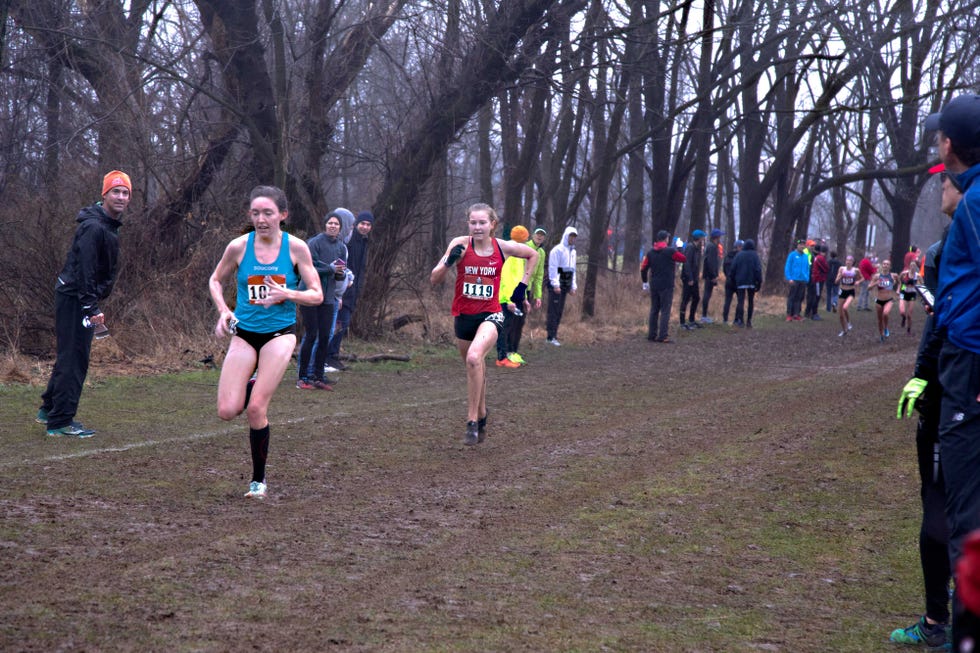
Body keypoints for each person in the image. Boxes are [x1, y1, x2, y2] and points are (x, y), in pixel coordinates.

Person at [208, 185, 323, 499]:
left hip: (279, 335)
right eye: (256, 213)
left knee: (256, 408)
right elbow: (215, 280)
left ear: (282, 216)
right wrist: (223, 311)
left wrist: (289, 294)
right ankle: (254, 378)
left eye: (268, 213)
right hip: (244, 334)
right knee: (227, 410)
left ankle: (257, 481)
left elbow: (317, 294)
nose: (261, 218)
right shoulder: (238, 247)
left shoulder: (297, 248)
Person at [890, 162, 961, 648]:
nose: (941, 185)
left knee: (940, 510)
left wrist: (921, 379)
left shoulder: (942, 255)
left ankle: (940, 622)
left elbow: (939, 329)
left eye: (948, 178)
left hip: (950, 397)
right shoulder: (941, 252)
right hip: (953, 393)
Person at [924, 93, 980, 650]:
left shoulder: (977, 200)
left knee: (966, 506)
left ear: (949, 143)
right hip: (962, 355)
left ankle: (962, 635)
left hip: (971, 361)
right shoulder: (968, 199)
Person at [431, 203, 538, 445]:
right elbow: (434, 278)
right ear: (468, 224)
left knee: (473, 357)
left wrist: (523, 286)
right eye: (473, 222)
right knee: (474, 365)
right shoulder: (459, 244)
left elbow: (534, 254)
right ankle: (482, 413)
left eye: (482, 223)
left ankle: (471, 422)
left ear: (492, 224)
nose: (477, 227)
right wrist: (449, 263)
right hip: (464, 316)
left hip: (491, 314)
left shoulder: (502, 247)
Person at [37, 171, 132, 438]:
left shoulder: (107, 225)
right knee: (75, 357)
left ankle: (49, 409)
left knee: (69, 353)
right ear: (104, 195)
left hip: (77, 296)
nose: (121, 197)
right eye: (116, 191)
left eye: (125, 192)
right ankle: (60, 421)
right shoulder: (94, 227)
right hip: (77, 298)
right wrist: (91, 307)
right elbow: (85, 272)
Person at [296, 211, 348, 389]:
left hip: (328, 297)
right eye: (330, 223)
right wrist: (331, 269)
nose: (333, 226)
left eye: (336, 224)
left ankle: (319, 376)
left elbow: (339, 273)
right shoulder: (314, 243)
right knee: (311, 334)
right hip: (310, 294)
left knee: (325, 336)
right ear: (325, 225)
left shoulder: (341, 247)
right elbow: (308, 268)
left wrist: (342, 275)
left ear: (340, 228)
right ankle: (303, 377)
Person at [325, 210, 372, 372]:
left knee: (342, 325)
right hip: (342, 292)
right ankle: (327, 358)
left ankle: (333, 357)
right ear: (355, 225)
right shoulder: (348, 242)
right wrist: (341, 294)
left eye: (368, 225)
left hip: (353, 292)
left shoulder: (364, 242)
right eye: (362, 224)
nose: (365, 227)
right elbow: (343, 268)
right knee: (337, 325)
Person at [506, 226, 547, 362]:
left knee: (520, 321)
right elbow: (519, 271)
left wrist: (538, 295)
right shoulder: (524, 247)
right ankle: (507, 351)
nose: (539, 237)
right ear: (532, 235)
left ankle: (515, 351)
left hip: (527, 291)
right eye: (538, 234)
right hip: (517, 288)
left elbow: (539, 275)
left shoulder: (541, 252)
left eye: (542, 235)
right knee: (512, 320)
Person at [641, 230, 686, 342]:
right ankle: (663, 335)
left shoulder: (650, 252)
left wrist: (645, 282)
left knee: (654, 310)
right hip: (667, 285)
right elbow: (683, 258)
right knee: (665, 310)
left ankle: (652, 335)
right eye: (668, 238)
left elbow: (643, 268)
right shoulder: (670, 251)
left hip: (654, 284)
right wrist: (680, 248)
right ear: (666, 239)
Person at [495, 225, 531, 368]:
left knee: (509, 326)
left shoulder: (519, 256)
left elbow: (519, 279)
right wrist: (507, 300)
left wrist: (524, 299)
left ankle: (507, 355)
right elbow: (505, 279)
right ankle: (501, 358)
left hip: (515, 298)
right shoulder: (510, 255)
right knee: (504, 328)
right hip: (505, 299)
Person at [546, 226, 577, 346]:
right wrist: (555, 284)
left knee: (559, 311)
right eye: (571, 236)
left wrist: (572, 286)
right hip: (556, 285)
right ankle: (550, 337)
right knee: (553, 311)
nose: (572, 239)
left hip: (565, 284)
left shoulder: (573, 252)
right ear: (566, 236)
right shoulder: (557, 250)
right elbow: (553, 268)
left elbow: (573, 269)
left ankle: (555, 335)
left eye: (574, 237)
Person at [729, 239, 762, 328]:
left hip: (740, 281)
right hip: (752, 281)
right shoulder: (755, 255)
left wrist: (732, 280)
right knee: (750, 301)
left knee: (741, 301)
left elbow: (733, 268)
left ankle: (741, 320)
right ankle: (749, 321)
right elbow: (758, 269)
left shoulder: (739, 255)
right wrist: (759, 282)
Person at [679, 229, 705, 330]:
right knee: (685, 299)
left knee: (696, 298)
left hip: (694, 278)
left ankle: (691, 320)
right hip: (688, 279)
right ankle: (682, 322)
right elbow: (686, 263)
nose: (703, 239)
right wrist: (689, 278)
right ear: (699, 238)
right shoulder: (690, 248)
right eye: (702, 237)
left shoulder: (696, 248)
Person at [870, 259, 898, 343]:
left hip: (889, 299)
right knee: (879, 319)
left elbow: (900, 283)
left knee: (885, 313)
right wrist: (875, 283)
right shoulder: (877, 276)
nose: (885, 265)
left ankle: (886, 328)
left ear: (890, 267)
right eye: (884, 264)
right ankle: (881, 335)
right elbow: (869, 287)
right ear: (882, 265)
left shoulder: (893, 276)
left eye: (887, 264)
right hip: (879, 300)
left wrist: (899, 290)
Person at [700, 228, 723, 323]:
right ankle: (704, 316)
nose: (720, 238)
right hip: (710, 275)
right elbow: (710, 262)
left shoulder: (710, 246)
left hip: (708, 274)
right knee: (707, 295)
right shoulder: (712, 247)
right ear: (716, 237)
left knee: (707, 294)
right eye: (719, 237)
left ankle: (704, 316)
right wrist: (713, 276)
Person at [784, 239, 809, 322]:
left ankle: (796, 314)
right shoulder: (792, 255)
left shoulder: (806, 256)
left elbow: (807, 268)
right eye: (800, 244)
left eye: (803, 245)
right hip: (794, 279)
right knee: (792, 297)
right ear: (797, 245)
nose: (802, 246)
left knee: (799, 298)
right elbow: (788, 267)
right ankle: (789, 315)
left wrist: (807, 278)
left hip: (803, 280)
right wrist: (789, 278)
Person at [834, 255, 859, 337]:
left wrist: (858, 282)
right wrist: (840, 276)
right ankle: (844, 330)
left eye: (850, 260)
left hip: (851, 291)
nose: (848, 262)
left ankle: (848, 323)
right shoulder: (841, 269)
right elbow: (836, 281)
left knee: (845, 307)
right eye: (847, 260)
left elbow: (862, 278)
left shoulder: (855, 270)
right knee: (840, 313)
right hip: (842, 291)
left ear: (853, 262)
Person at [899, 248, 921, 336]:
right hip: (904, 292)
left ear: (915, 267)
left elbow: (921, 284)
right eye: (911, 266)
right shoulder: (905, 273)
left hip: (912, 294)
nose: (912, 268)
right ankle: (903, 318)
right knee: (902, 312)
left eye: (914, 266)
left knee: (910, 314)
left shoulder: (917, 276)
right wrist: (902, 285)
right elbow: (900, 281)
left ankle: (909, 330)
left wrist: (918, 285)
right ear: (909, 266)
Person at [721, 239, 743, 324]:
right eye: (741, 246)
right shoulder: (740, 257)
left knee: (727, 301)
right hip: (738, 282)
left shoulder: (727, 256)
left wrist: (728, 276)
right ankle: (736, 319)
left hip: (729, 281)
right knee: (740, 301)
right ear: (738, 247)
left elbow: (724, 268)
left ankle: (725, 319)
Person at [805, 244, 828, 320]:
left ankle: (809, 312)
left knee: (812, 295)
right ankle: (813, 313)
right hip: (818, 280)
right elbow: (826, 268)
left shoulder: (815, 257)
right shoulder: (820, 258)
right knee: (816, 296)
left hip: (814, 279)